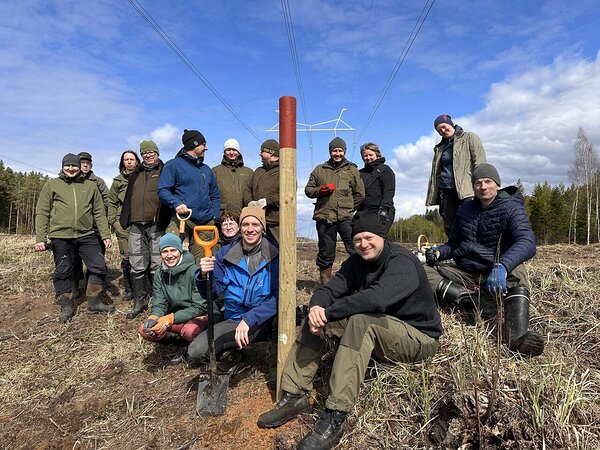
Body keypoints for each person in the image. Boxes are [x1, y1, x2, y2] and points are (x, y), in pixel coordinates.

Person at [257, 214, 442, 450]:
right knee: (317, 319)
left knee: (360, 321)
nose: (363, 244)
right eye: (357, 239)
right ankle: (294, 395)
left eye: (369, 237)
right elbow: (331, 289)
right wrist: (316, 308)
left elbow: (376, 299)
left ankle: (336, 414)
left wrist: (330, 311)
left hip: (419, 339)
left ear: (382, 237)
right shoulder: (357, 262)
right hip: (384, 328)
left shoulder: (402, 262)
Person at [424, 163, 545, 357]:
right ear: (473, 186)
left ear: (496, 184)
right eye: (478, 182)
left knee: (519, 272)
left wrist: (503, 265)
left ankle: (517, 337)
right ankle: (468, 300)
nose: (483, 186)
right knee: (423, 270)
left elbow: (527, 241)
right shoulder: (465, 209)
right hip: (466, 270)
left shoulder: (511, 208)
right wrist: (438, 252)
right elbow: (455, 244)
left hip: (495, 270)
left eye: (488, 181)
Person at [187, 204, 278, 372]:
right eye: (245, 224)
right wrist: (203, 276)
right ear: (240, 227)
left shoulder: (275, 256)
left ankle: (276, 366)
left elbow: (279, 297)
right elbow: (213, 293)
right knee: (196, 352)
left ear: (263, 228)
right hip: (234, 318)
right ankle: (235, 354)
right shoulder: (225, 255)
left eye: (255, 224)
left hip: (264, 320)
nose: (250, 229)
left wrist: (250, 319)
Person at [34, 153, 115, 322]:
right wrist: (40, 238)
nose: (71, 169)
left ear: (79, 167)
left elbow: (99, 212)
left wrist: (105, 234)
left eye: (74, 166)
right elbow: (42, 212)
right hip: (61, 236)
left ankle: (94, 301)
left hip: (87, 234)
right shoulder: (52, 184)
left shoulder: (90, 186)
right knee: (63, 270)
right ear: (63, 167)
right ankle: (66, 305)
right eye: (67, 166)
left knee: (98, 266)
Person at [120, 140, 171, 319]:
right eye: (144, 153)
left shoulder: (165, 170)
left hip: (156, 224)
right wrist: (124, 217)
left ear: (157, 153)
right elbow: (129, 195)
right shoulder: (137, 171)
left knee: (158, 264)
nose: (148, 155)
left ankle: (158, 302)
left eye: (151, 152)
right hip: (136, 224)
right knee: (136, 263)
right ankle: (139, 301)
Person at [137, 233, 217, 347]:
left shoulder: (194, 271)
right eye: (164, 252)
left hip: (201, 315)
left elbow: (199, 307)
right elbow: (159, 303)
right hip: (176, 316)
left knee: (189, 331)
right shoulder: (160, 273)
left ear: (180, 251)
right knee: (144, 330)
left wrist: (170, 318)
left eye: (173, 250)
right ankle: (178, 342)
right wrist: (154, 317)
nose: (169, 255)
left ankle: (193, 344)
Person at [305, 137, 365, 285]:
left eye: (340, 151)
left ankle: (357, 282)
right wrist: (320, 190)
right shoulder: (320, 170)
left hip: (345, 219)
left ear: (344, 152)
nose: (337, 153)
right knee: (326, 253)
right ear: (330, 152)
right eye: (334, 150)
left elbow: (360, 194)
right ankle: (326, 285)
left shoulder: (352, 170)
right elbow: (308, 190)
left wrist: (349, 209)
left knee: (354, 250)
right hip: (324, 219)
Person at [158, 129, 221, 264]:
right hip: (181, 219)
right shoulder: (173, 165)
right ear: (194, 145)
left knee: (203, 262)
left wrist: (215, 216)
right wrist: (176, 204)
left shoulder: (206, 169)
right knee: (170, 253)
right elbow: (163, 190)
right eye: (203, 144)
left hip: (205, 222)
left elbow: (215, 195)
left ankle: (201, 284)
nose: (206, 148)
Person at [426, 114, 486, 236]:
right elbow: (436, 173)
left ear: (450, 124)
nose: (442, 130)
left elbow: (480, 163)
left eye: (443, 126)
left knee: (469, 224)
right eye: (439, 130)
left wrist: (480, 186)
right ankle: (455, 253)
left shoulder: (469, 137)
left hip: (466, 191)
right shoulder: (439, 148)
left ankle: (472, 253)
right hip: (446, 191)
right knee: (450, 226)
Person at [107, 150, 140, 301]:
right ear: (122, 162)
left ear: (136, 161)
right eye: (126, 159)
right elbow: (112, 202)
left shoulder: (142, 176)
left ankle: (143, 287)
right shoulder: (118, 181)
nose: (129, 162)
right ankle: (129, 289)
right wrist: (113, 221)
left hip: (140, 220)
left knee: (140, 255)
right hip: (122, 223)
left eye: (131, 159)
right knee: (127, 256)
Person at [243, 139, 280, 243]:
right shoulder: (259, 170)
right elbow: (248, 188)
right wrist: (250, 202)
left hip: (274, 221)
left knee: (278, 249)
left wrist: (266, 202)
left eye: (262, 151)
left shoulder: (284, 170)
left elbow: (286, 195)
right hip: (256, 220)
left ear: (271, 152)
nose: (260, 154)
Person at [355, 142, 395, 232]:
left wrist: (383, 210)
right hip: (363, 212)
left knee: (377, 240)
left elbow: (389, 192)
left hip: (380, 211)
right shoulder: (360, 173)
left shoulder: (385, 170)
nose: (368, 158)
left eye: (370, 155)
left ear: (377, 154)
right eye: (365, 156)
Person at [212, 138, 254, 214]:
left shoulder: (249, 172)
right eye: (228, 150)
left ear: (238, 152)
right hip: (223, 214)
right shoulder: (215, 171)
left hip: (243, 213)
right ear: (224, 152)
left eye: (234, 150)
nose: (231, 153)